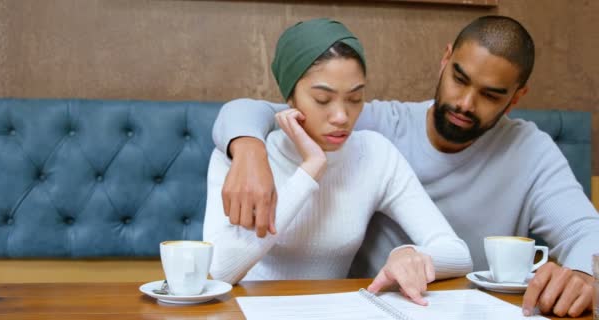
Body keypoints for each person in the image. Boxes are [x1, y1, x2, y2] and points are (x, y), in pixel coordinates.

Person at [211, 15, 599, 318]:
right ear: (445, 60)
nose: (465, 102)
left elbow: (585, 230)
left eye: (490, 94)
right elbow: (262, 112)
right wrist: (247, 149)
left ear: (516, 98)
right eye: (459, 79)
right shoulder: (372, 125)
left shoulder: (530, 150)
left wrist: (584, 272)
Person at [203, 18, 472, 306]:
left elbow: (459, 254)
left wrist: (410, 255)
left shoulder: (376, 155)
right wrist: (310, 170)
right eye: (322, 99)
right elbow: (219, 270)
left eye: (355, 98)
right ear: (290, 97)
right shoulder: (240, 155)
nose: (342, 116)